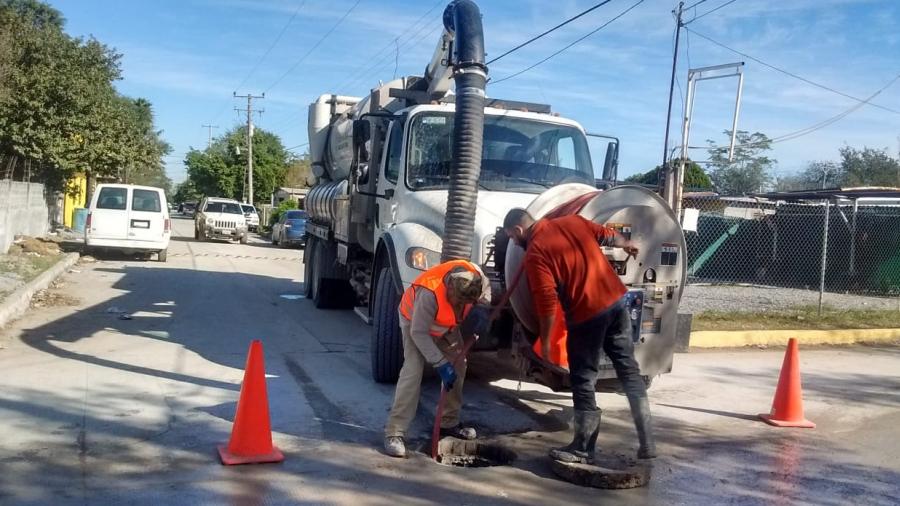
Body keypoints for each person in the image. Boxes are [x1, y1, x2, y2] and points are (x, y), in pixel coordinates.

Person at [503, 208, 656, 462]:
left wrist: (548, 340)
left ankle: (583, 448)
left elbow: (547, 303)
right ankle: (648, 443)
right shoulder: (573, 221)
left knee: (584, 379)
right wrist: (627, 244)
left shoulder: (536, 252)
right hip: (618, 303)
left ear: (518, 230)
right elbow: (607, 235)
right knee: (629, 370)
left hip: (587, 316)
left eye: (511, 237)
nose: (513, 242)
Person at [383, 259, 492, 458]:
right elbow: (419, 333)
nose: (459, 305)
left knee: (459, 365)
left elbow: (487, 291)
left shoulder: (476, 277)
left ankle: (448, 422)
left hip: (447, 326)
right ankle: (395, 432)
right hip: (415, 323)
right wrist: (440, 363)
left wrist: (483, 308)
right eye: (457, 300)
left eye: (463, 303)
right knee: (413, 369)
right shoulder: (429, 293)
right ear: (449, 286)